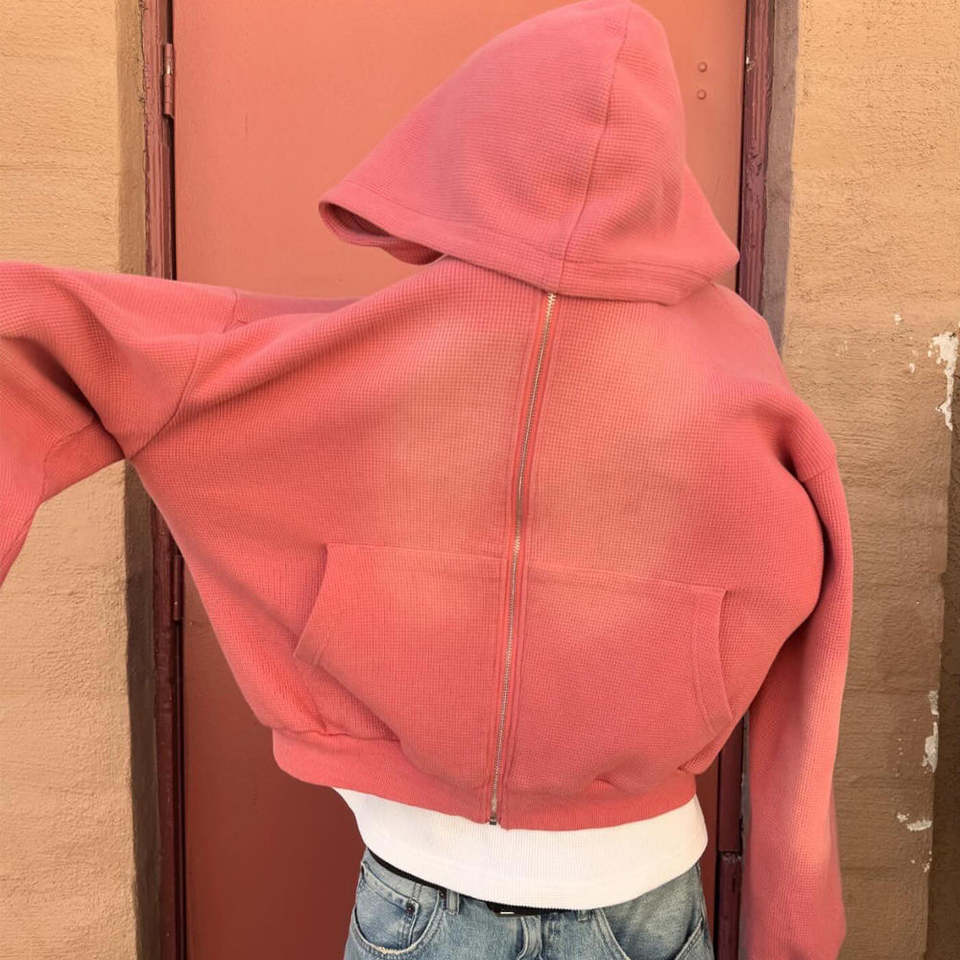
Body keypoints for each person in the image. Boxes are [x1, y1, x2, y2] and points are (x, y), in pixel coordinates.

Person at [0, 0, 853, 957]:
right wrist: (793, 925)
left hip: (429, 899)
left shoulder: (357, 354)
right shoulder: (735, 362)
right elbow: (807, 625)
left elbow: (48, 335)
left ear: (480, 133)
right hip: (639, 900)